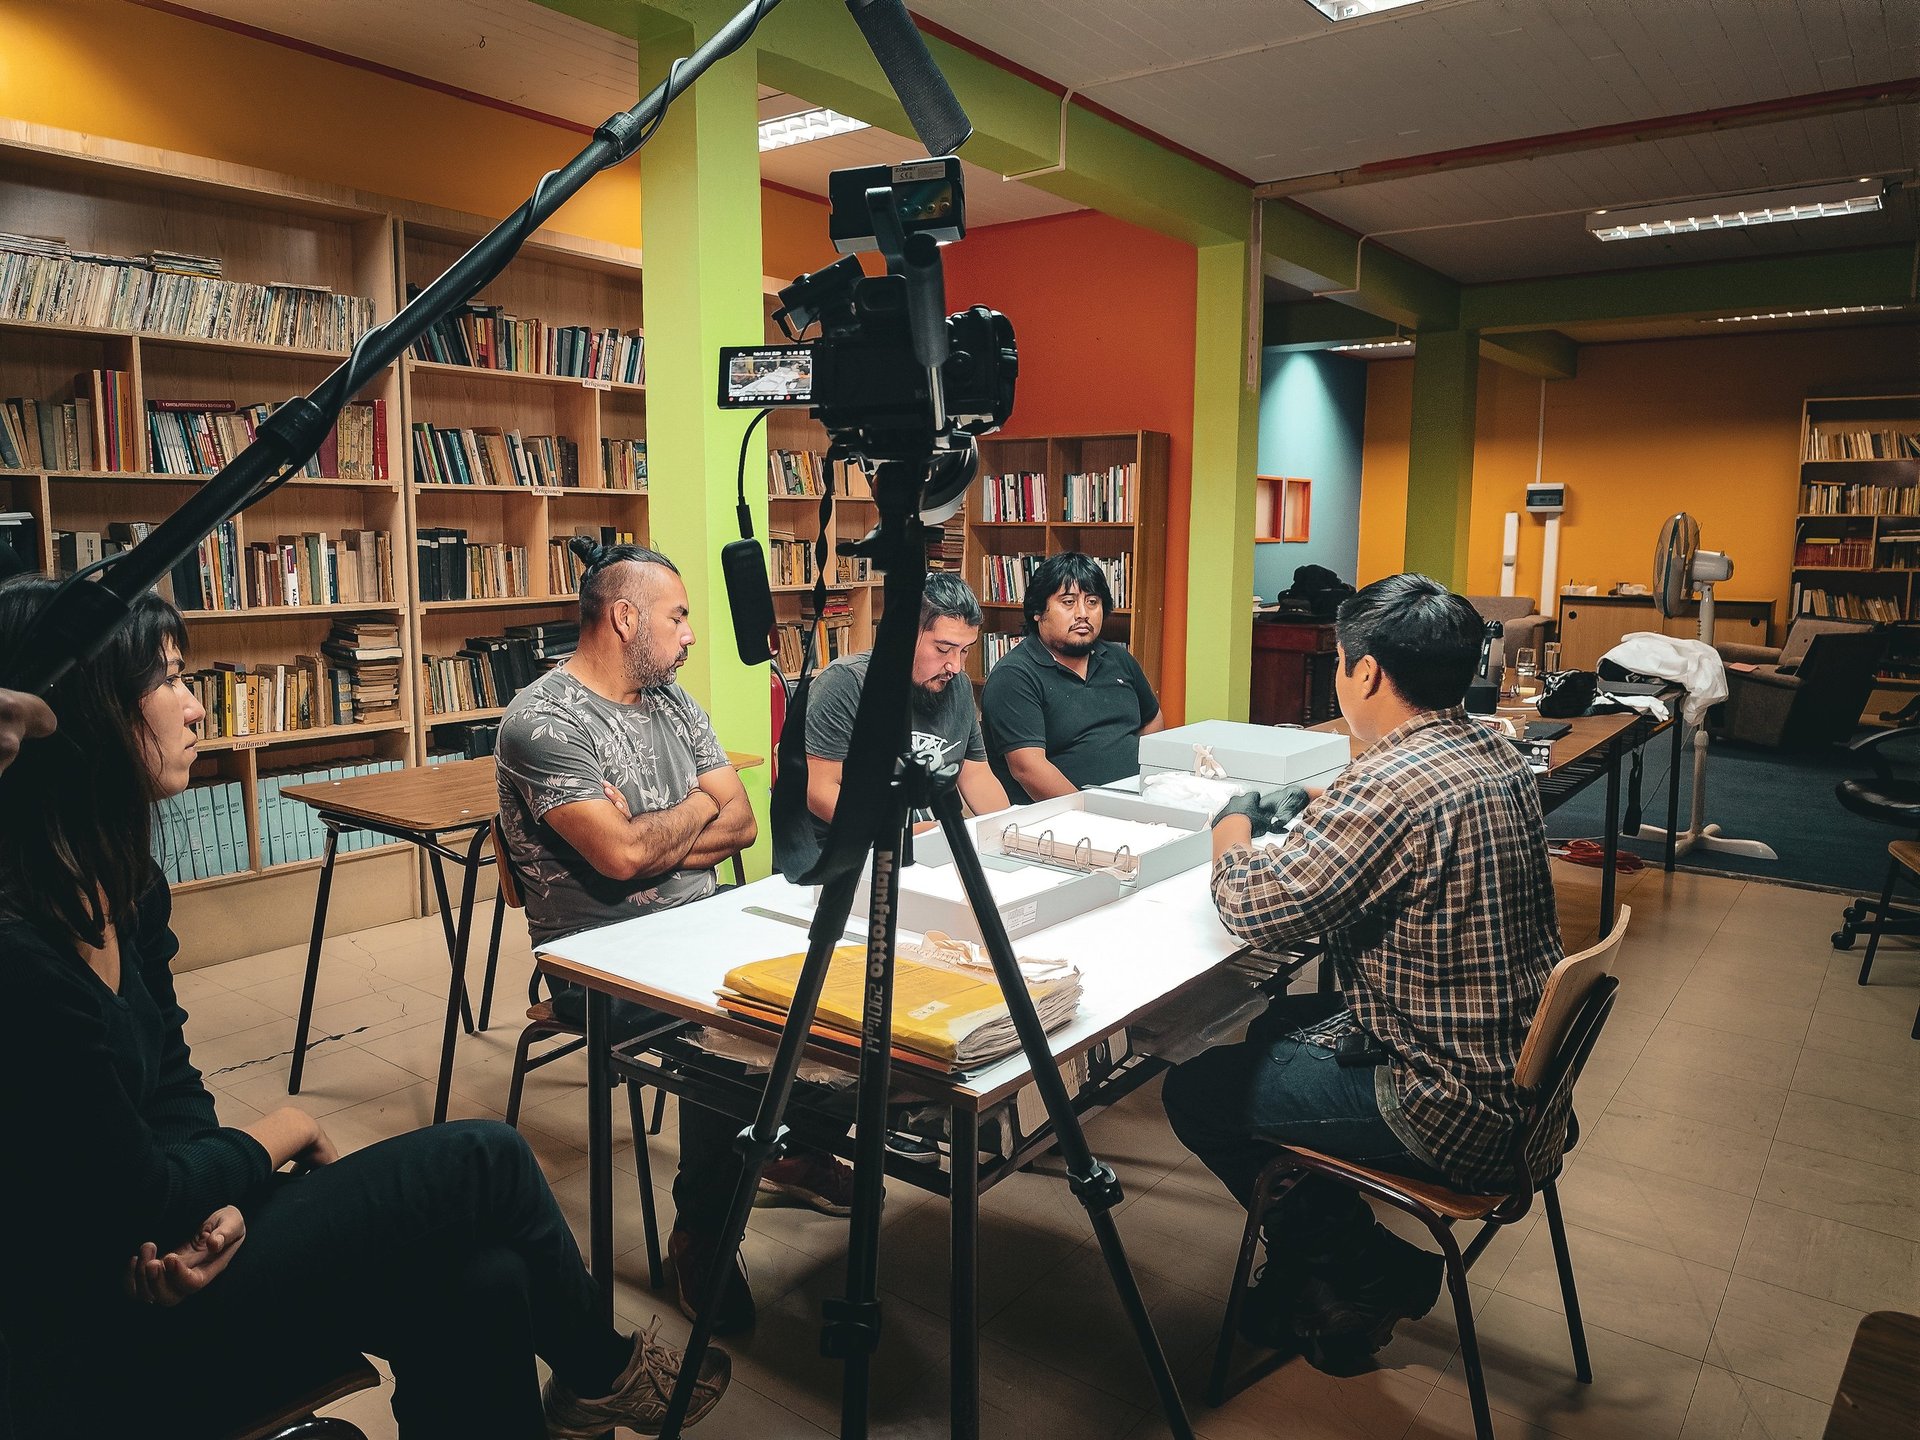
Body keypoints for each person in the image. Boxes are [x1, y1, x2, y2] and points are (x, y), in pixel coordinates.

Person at [0, 574, 729, 1440]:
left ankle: (591, 1379)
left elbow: (171, 1090)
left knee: (489, 1278)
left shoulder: (127, 890)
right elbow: (132, 1195)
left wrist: (215, 1191)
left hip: (185, 1236)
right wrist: (282, 1133)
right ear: (76, 716)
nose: (196, 709)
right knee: (486, 1159)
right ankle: (603, 1370)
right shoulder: (22, 956)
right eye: (168, 680)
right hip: (102, 1318)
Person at [1160, 573, 1564, 1376]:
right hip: (1525, 1084)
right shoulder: (1495, 751)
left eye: (1342, 663)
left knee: (1195, 1092)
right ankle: (1335, 1277)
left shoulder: (1386, 788)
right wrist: (1318, 796)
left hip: (1448, 1106)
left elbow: (1253, 905)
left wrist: (1232, 821)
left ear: (1367, 671)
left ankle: (1354, 1265)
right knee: (1278, 1024)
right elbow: (1392, 804)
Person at [494, 541, 851, 1339]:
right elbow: (620, 859)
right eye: (678, 615)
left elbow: (743, 819)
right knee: (735, 1035)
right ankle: (704, 1234)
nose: (690, 633)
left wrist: (654, 826)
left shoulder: (672, 700)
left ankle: (782, 1149)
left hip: (704, 925)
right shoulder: (540, 721)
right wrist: (690, 813)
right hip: (602, 961)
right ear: (625, 617)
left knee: (850, 990)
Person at [803, 570, 1008, 848]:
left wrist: (1008, 833)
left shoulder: (956, 686)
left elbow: (974, 774)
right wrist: (898, 832)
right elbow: (820, 790)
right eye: (943, 649)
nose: (956, 666)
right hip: (848, 852)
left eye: (964, 650)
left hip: (929, 845)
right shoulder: (845, 684)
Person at [980, 551, 1164, 803]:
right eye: (1068, 602)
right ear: (1038, 611)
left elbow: (1152, 720)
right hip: (1064, 821)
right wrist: (1090, 812)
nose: (1083, 613)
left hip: (1136, 801)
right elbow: (1028, 769)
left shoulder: (1118, 658)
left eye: (1092, 602)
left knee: (1231, 802)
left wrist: (1146, 784)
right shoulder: (1014, 676)